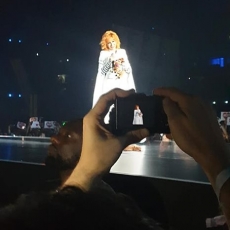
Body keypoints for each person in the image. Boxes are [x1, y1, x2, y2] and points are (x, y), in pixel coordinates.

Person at [1, 87, 230, 229]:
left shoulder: (135, 196)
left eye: (68, 134)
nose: (54, 139)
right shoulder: (40, 193)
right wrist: (218, 163)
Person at [92, 30, 135, 122]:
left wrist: (122, 63)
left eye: (113, 42)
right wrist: (109, 60)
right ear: (106, 44)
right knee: (109, 106)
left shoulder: (122, 52)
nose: (112, 45)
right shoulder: (103, 55)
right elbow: (101, 72)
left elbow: (128, 70)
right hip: (109, 85)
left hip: (122, 84)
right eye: (109, 43)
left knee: (123, 106)